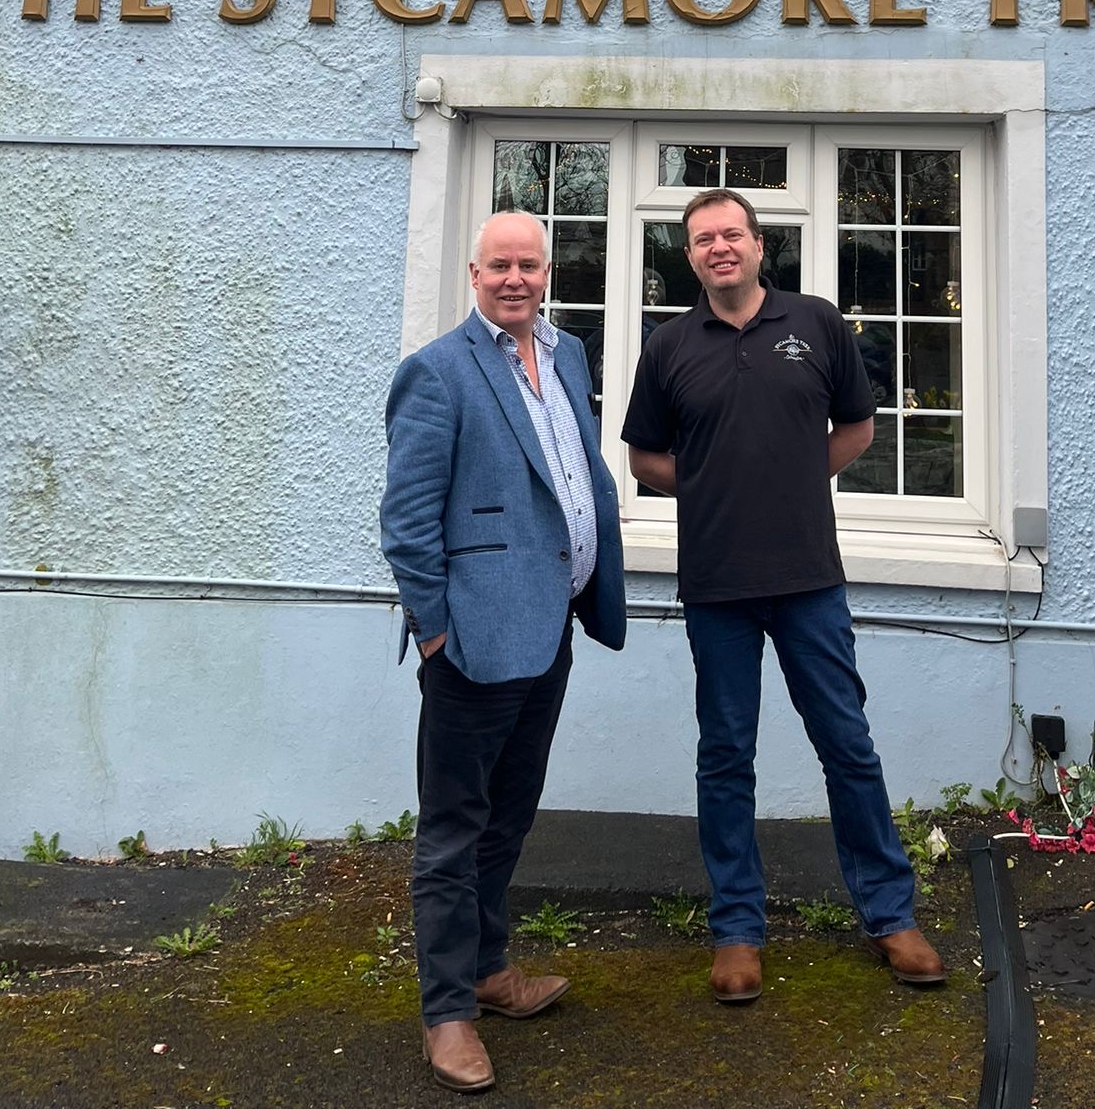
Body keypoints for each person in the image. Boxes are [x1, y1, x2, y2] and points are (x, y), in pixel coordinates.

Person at [621, 188, 945, 1004]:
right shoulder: (668, 346)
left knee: (847, 744)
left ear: (761, 245)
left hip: (809, 581)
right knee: (726, 756)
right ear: (688, 256)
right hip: (718, 585)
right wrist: (716, 486)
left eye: (732, 234)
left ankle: (890, 915)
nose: (718, 248)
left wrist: (789, 483)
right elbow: (643, 460)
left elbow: (859, 430)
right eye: (702, 239)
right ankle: (736, 928)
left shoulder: (818, 324)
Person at [382, 210, 628, 1092]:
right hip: (473, 645)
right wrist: (437, 630)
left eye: (529, 265)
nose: (515, 279)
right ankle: (446, 1013)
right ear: (474, 274)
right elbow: (407, 522)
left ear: (547, 272)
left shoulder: (566, 356)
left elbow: (574, 475)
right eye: (499, 266)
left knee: (511, 815)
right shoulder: (438, 373)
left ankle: (489, 972)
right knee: (452, 831)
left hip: (549, 629)